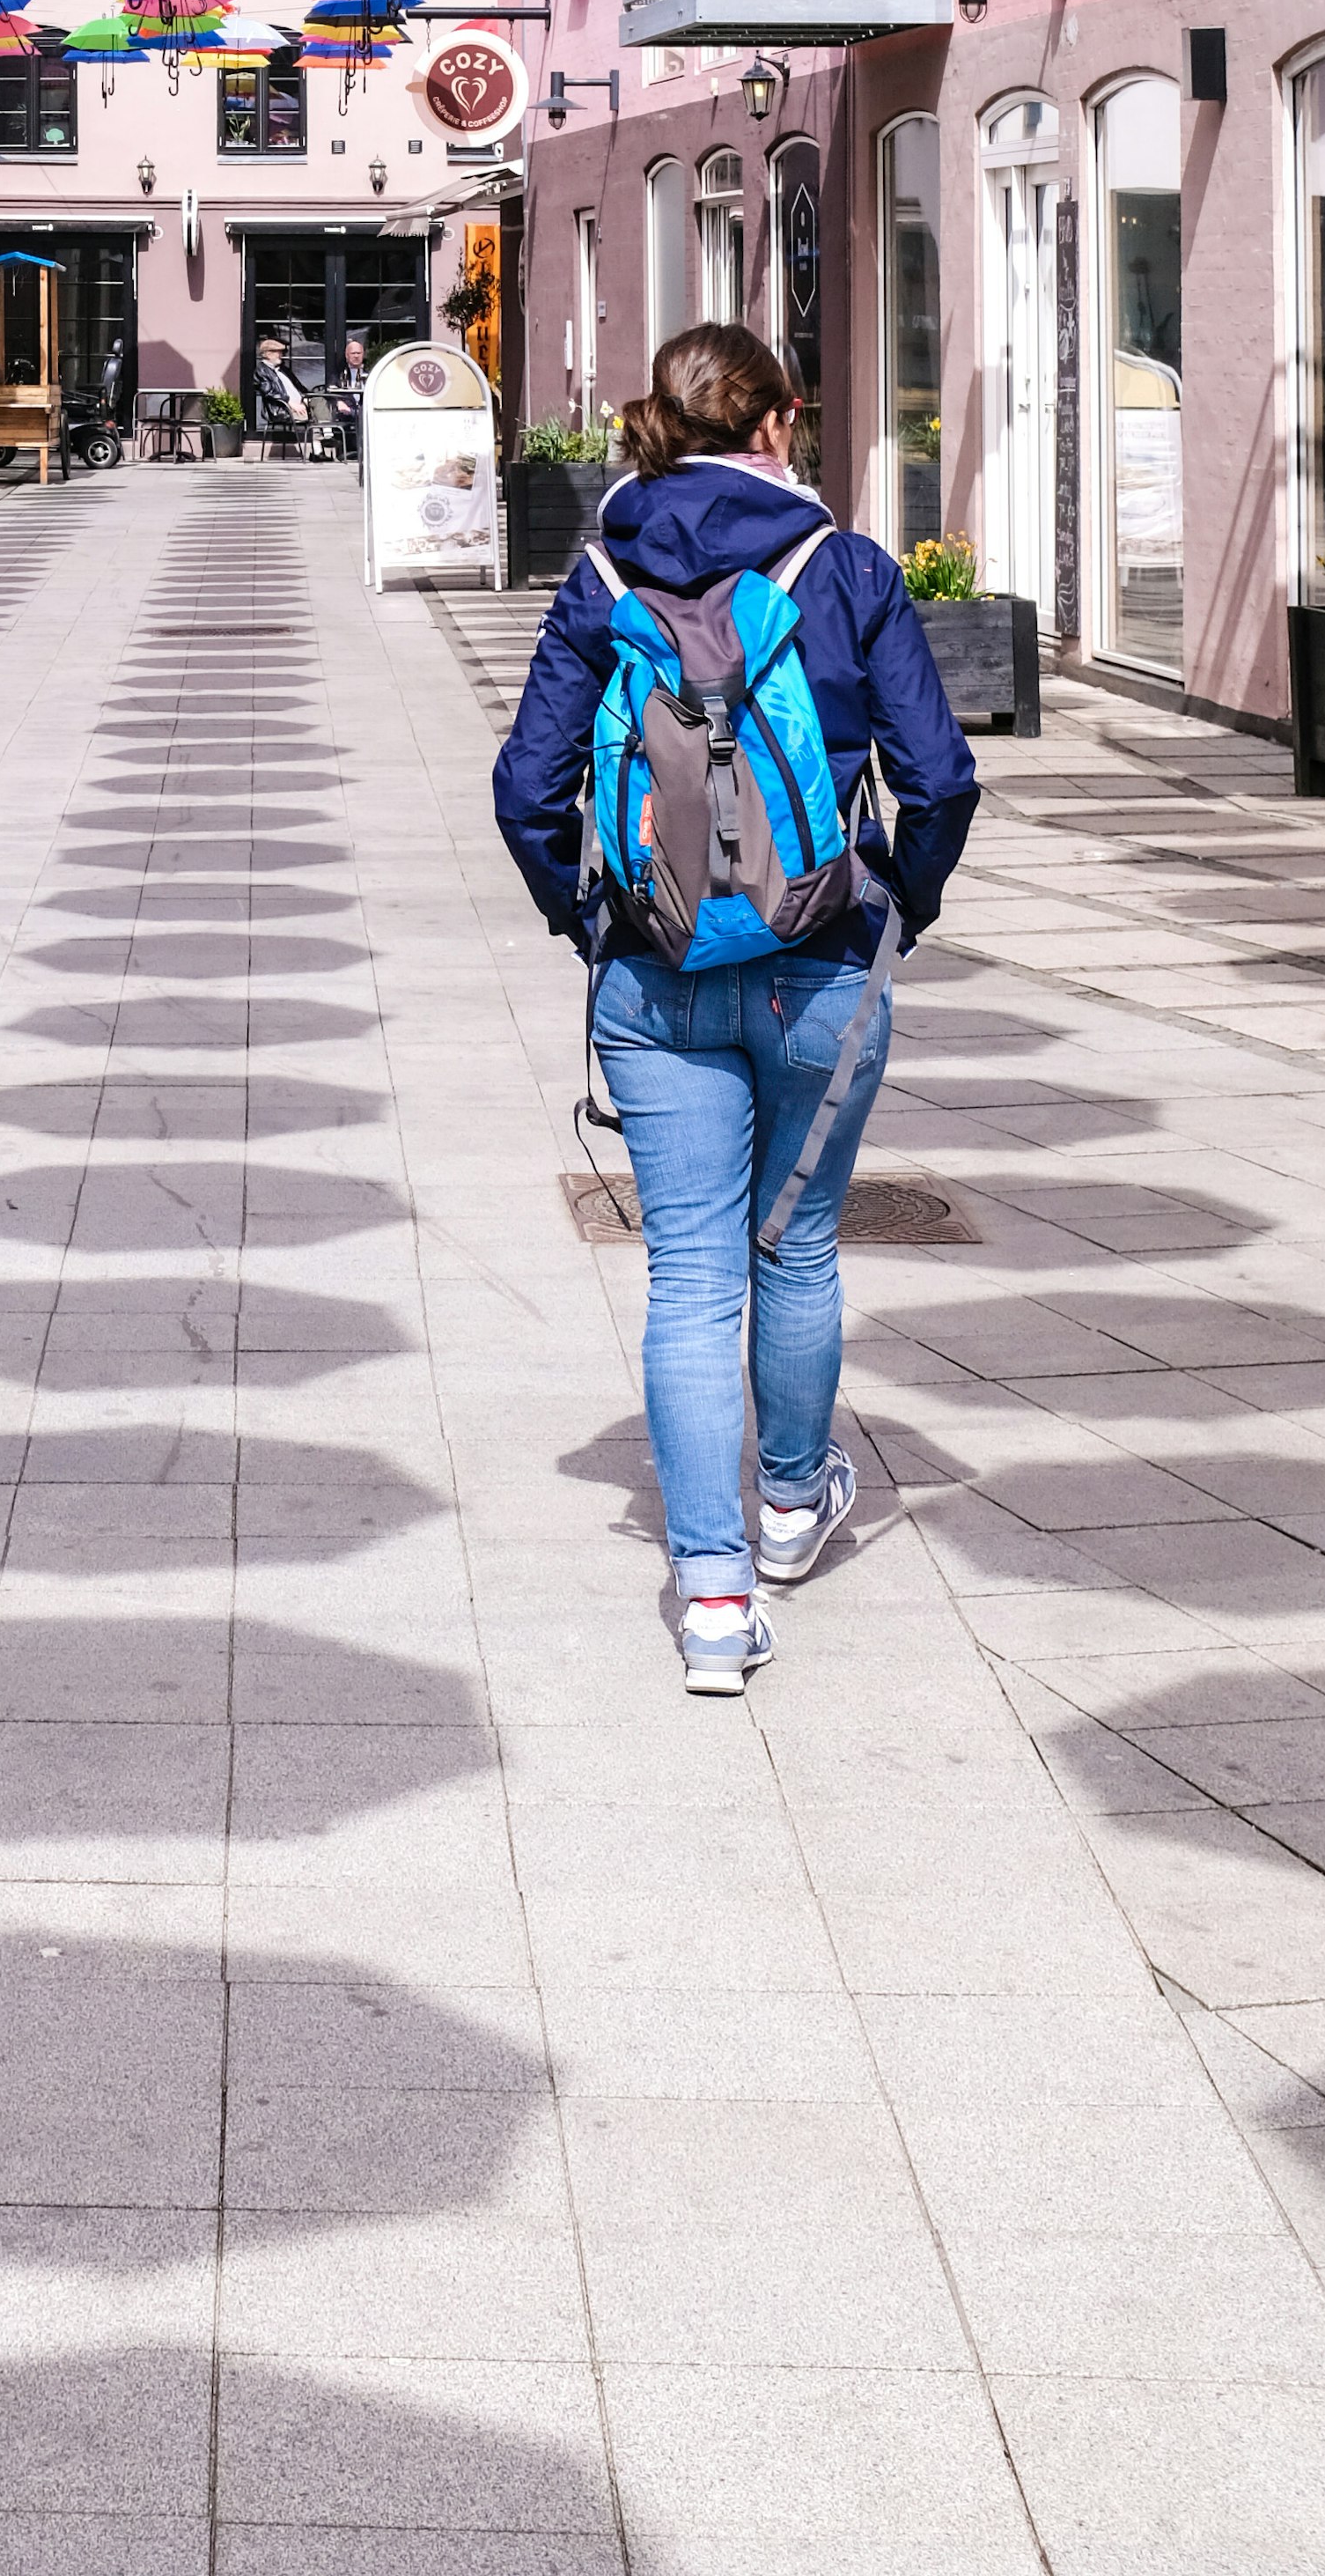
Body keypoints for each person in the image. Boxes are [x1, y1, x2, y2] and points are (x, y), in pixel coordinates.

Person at [491, 321, 978, 1699]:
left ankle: (710, 1603)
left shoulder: (600, 577)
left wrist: (590, 920)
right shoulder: (850, 570)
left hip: (656, 976)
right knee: (800, 1250)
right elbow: (939, 781)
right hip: (823, 956)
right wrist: (900, 903)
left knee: (690, 1277)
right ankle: (784, 1509)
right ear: (775, 427)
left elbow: (526, 791)